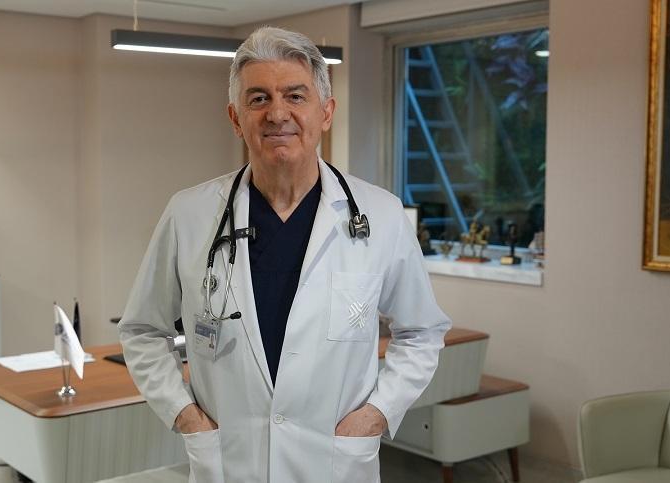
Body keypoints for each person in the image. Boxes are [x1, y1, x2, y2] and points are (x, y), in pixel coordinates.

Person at [118, 26, 451, 483]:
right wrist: (185, 415)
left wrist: (376, 413)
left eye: (295, 96)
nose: (277, 114)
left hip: (334, 464)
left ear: (326, 112)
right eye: (258, 99)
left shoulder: (382, 215)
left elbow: (422, 332)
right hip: (230, 463)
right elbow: (142, 330)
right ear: (236, 118)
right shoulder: (189, 214)